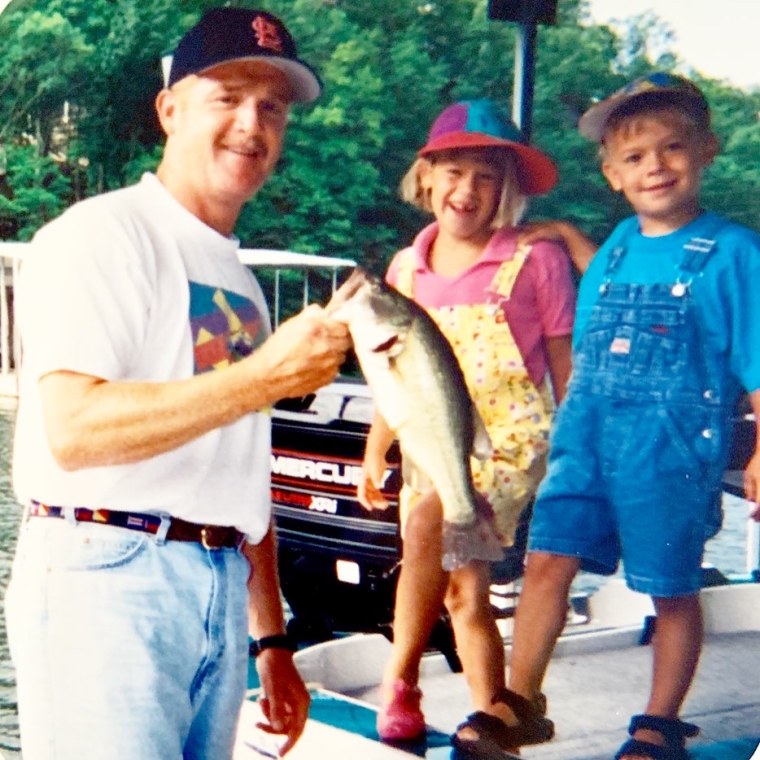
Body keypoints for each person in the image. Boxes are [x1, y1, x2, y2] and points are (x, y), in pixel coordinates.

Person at [4, 7, 352, 759]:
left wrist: (271, 638)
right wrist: (260, 377)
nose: (251, 124)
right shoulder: (99, 236)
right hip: (105, 577)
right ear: (170, 109)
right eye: (226, 97)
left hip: (220, 592)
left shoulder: (242, 284)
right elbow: (74, 431)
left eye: (273, 107)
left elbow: (237, 470)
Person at [499, 72, 760, 760]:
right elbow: (592, 335)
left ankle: (659, 722)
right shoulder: (614, 243)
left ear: (707, 148)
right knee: (547, 558)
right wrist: (560, 232)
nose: (656, 168)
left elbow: (759, 360)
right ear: (612, 173)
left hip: (669, 450)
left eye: (673, 148)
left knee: (671, 587)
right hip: (586, 437)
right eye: (636, 158)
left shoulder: (734, 253)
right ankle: (519, 700)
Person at [356, 99, 576, 756]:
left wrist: (574, 456)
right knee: (463, 589)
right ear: (425, 178)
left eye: (485, 176)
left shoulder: (535, 261)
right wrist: (376, 448)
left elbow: (566, 369)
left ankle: (400, 682)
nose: (467, 190)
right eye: (453, 171)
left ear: (506, 188)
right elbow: (392, 378)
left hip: (506, 445)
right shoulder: (404, 270)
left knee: (430, 523)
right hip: (429, 442)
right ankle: (492, 723)